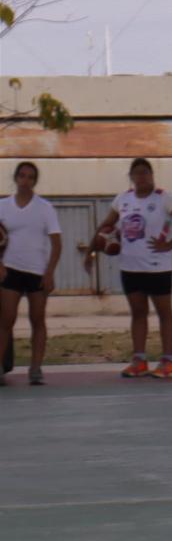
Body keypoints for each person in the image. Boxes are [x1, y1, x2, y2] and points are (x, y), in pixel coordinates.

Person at [87, 158, 172, 380]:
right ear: (131, 177)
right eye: (137, 173)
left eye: (146, 172)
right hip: (130, 266)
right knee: (138, 314)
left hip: (157, 267)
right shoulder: (123, 199)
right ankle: (139, 360)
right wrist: (93, 250)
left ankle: (169, 361)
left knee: (164, 313)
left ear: (152, 175)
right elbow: (106, 225)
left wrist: (170, 244)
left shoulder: (164, 197)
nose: (142, 176)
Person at [0, 161, 62, 387]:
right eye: (22, 176)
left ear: (35, 181)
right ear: (15, 178)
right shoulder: (3, 206)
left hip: (37, 271)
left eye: (30, 177)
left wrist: (50, 272)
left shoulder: (45, 208)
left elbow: (56, 243)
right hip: (10, 270)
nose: (25, 180)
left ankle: (35, 369)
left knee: (38, 320)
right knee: (6, 321)